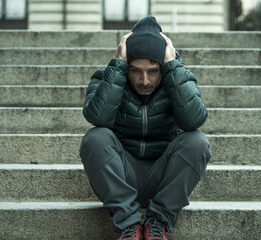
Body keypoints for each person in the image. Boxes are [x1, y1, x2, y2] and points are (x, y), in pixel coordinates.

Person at [79, 16, 211, 240]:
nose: (145, 81)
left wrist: (171, 68)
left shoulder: (179, 77)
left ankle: (157, 221)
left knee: (197, 141)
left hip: (163, 177)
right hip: (121, 174)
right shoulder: (107, 76)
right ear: (126, 64)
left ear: (162, 66)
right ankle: (128, 224)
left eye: (153, 71)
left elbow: (193, 121)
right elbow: (97, 117)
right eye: (135, 71)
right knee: (95, 138)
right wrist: (119, 67)